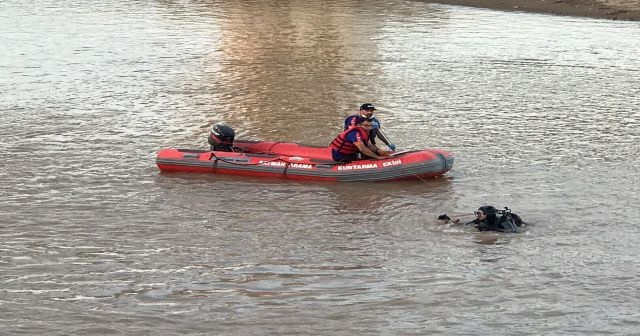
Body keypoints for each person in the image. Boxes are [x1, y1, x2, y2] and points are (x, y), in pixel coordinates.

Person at [438, 206, 525, 233]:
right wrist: (449, 221)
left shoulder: (504, 221)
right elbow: (467, 225)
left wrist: (488, 229)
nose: (477, 216)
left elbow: (514, 232)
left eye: (479, 214)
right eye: (477, 213)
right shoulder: (482, 219)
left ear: (487, 215)